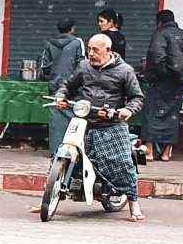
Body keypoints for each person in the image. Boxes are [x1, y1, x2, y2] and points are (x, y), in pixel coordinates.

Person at [50, 34, 147, 222]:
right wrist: (61, 96)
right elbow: (68, 85)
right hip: (83, 121)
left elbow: (137, 98)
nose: (91, 53)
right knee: (61, 154)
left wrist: (127, 110)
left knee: (122, 165)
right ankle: (50, 194)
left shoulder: (125, 71)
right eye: (89, 49)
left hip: (111, 124)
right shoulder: (84, 66)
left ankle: (134, 203)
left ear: (108, 50)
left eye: (95, 50)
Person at [141, 8, 183, 162]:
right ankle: (166, 153)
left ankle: (150, 152)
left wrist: (164, 75)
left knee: (151, 114)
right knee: (173, 116)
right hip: (178, 84)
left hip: (160, 82)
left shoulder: (160, 34)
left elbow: (157, 57)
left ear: (159, 22)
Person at [39, 18, 84, 156]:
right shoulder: (77, 42)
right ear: (72, 29)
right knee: (73, 117)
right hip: (72, 85)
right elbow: (81, 64)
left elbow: (44, 67)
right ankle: (70, 150)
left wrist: (53, 74)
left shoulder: (49, 43)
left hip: (54, 85)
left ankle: (55, 150)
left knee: (56, 117)